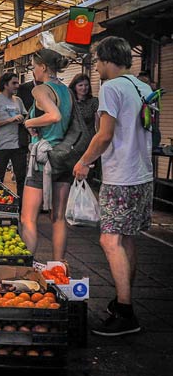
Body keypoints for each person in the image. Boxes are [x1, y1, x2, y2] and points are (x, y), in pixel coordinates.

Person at [73, 37, 153, 336]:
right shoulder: (142, 87)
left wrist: (84, 162)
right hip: (142, 174)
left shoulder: (111, 87)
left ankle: (126, 312)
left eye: (97, 62)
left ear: (106, 60)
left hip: (121, 175)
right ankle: (122, 301)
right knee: (127, 239)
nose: (96, 68)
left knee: (109, 241)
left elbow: (104, 135)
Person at [21, 48, 72, 261]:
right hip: (64, 158)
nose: (33, 71)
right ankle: (58, 267)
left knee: (28, 218)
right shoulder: (66, 90)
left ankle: (25, 266)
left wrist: (29, 122)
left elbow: (54, 115)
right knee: (58, 218)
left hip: (43, 161)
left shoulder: (41, 90)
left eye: (34, 67)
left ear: (43, 67)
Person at [0, 72, 28, 198]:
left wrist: (24, 121)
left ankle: (21, 210)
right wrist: (9, 120)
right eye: (14, 83)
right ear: (5, 84)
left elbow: (25, 118)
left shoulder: (18, 101)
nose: (17, 85)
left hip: (18, 146)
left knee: (21, 178)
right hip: (2, 146)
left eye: (17, 82)